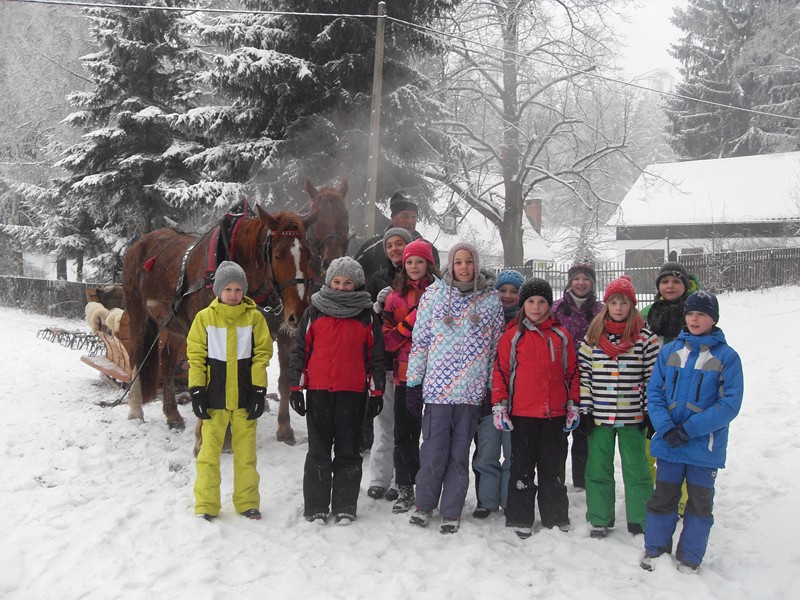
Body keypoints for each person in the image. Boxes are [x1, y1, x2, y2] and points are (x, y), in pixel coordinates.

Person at [640, 292, 743, 573]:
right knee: (663, 500)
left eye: (701, 314)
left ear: (714, 319)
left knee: (698, 505)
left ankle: (689, 558)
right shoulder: (670, 351)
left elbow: (729, 405)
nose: (695, 319)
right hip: (670, 444)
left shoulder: (727, 358)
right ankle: (655, 551)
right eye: (690, 313)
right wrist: (666, 427)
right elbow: (655, 392)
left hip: (703, 448)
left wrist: (688, 429)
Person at [405, 242, 503, 534]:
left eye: (468, 261)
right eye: (458, 262)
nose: (463, 267)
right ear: (450, 265)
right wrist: (413, 383)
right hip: (438, 391)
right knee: (433, 450)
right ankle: (424, 504)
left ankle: (451, 510)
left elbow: (495, 350)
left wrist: (488, 389)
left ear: (476, 265)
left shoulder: (490, 301)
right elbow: (420, 343)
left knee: (460, 454)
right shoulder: (434, 296)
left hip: (471, 395)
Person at [288, 257, 385, 525]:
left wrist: (377, 394)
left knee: (348, 452)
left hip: (352, 395)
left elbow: (376, 358)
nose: (342, 287)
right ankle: (316, 506)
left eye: (348, 283)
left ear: (357, 285)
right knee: (318, 450)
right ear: (329, 282)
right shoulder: (314, 312)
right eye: (337, 282)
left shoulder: (366, 315)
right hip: (319, 392)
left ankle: (345, 505)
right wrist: (295, 388)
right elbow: (300, 352)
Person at [492, 278, 579, 539]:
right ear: (523, 305)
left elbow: (572, 372)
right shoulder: (512, 336)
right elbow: (500, 372)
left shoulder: (561, 336)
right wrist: (499, 405)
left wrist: (573, 405)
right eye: (531, 301)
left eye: (542, 302)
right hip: (522, 414)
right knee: (522, 467)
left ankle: (555, 515)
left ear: (550, 305)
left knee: (552, 467)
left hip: (555, 415)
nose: (537, 307)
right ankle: (519, 515)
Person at [187, 261, 273, 521]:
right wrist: (197, 391)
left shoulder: (255, 318)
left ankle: (247, 502)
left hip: (245, 399)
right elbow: (196, 356)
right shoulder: (204, 319)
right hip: (214, 400)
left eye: (238, 289)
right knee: (208, 456)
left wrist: (259, 390)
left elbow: (262, 355)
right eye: (228, 289)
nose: (233, 294)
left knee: (246, 456)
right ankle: (206, 504)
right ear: (218, 291)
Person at [578, 275, 660, 538]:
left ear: (632, 305)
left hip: (632, 416)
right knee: (598, 468)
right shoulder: (592, 336)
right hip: (600, 417)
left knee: (637, 468)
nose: (619, 308)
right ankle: (600, 517)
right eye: (614, 302)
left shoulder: (645, 337)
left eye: (624, 302)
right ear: (607, 304)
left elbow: (652, 378)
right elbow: (585, 376)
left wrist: (649, 412)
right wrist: (586, 410)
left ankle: (640, 517)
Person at [380, 239, 439, 513]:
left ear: (429, 264)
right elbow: (388, 340)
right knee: (405, 433)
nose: (414, 266)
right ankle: (404, 487)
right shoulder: (395, 297)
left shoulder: (441, 293)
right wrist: (410, 324)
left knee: (434, 435)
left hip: (439, 375)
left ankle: (430, 485)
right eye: (410, 262)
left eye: (420, 261)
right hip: (405, 377)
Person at [640, 262, 699, 513]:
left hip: (684, 390)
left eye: (676, 281)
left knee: (680, 448)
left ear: (685, 285)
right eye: (665, 282)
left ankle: (683, 499)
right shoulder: (647, 312)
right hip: (652, 390)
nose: (670, 286)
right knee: (648, 447)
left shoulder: (695, 313)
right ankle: (658, 492)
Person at [365, 227, 415, 502]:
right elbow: (367, 320)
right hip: (385, 361)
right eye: (390, 246)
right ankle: (379, 477)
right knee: (383, 424)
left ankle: (402, 478)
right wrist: (375, 306)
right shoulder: (378, 280)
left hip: (412, 365)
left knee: (407, 426)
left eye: (400, 244)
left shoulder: (425, 279)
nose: (395, 249)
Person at [471, 269, 523, 519]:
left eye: (514, 292)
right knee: (487, 451)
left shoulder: (525, 323)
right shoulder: (485, 316)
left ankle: (509, 498)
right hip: (488, 396)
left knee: (512, 453)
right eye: (503, 290)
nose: (507, 296)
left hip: (518, 398)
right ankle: (487, 500)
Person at [552, 263, 604, 490]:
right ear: (569, 282)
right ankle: (555, 478)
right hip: (560, 380)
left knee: (584, 433)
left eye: (585, 279)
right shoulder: (556, 309)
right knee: (558, 434)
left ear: (592, 283)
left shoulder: (602, 311)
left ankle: (582, 480)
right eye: (576, 278)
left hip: (590, 380)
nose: (580, 283)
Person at [354, 191, 439, 288]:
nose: (410, 221)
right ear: (393, 218)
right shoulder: (371, 249)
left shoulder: (429, 249)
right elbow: (352, 280)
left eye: (414, 217)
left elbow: (436, 283)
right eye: (405, 216)